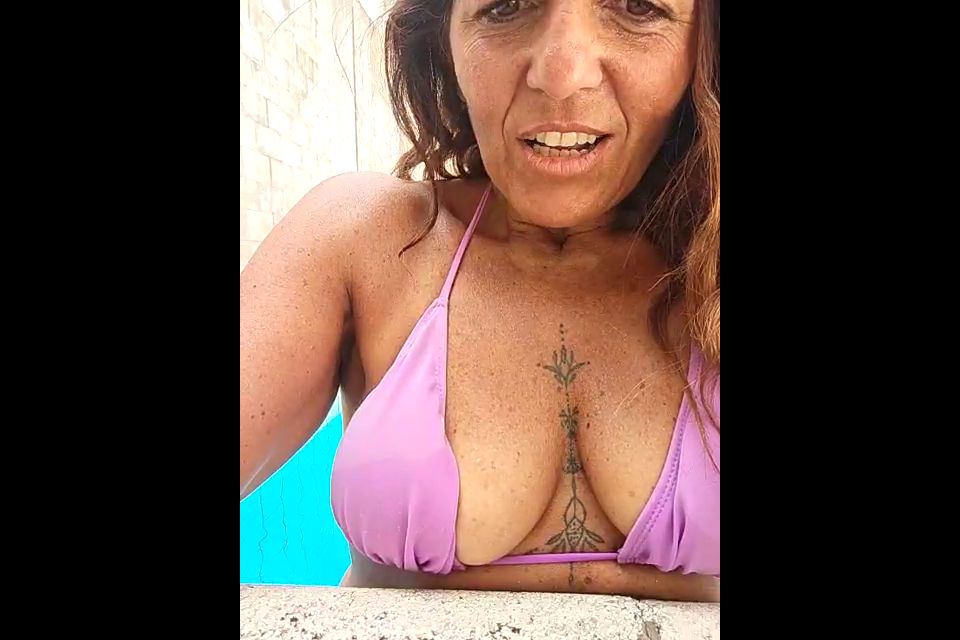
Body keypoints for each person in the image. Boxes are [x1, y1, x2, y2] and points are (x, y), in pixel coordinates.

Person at [240, 0, 719, 602]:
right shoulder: (361, 240)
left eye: (636, 6)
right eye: (507, 5)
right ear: (446, 44)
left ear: (703, 48)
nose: (562, 74)